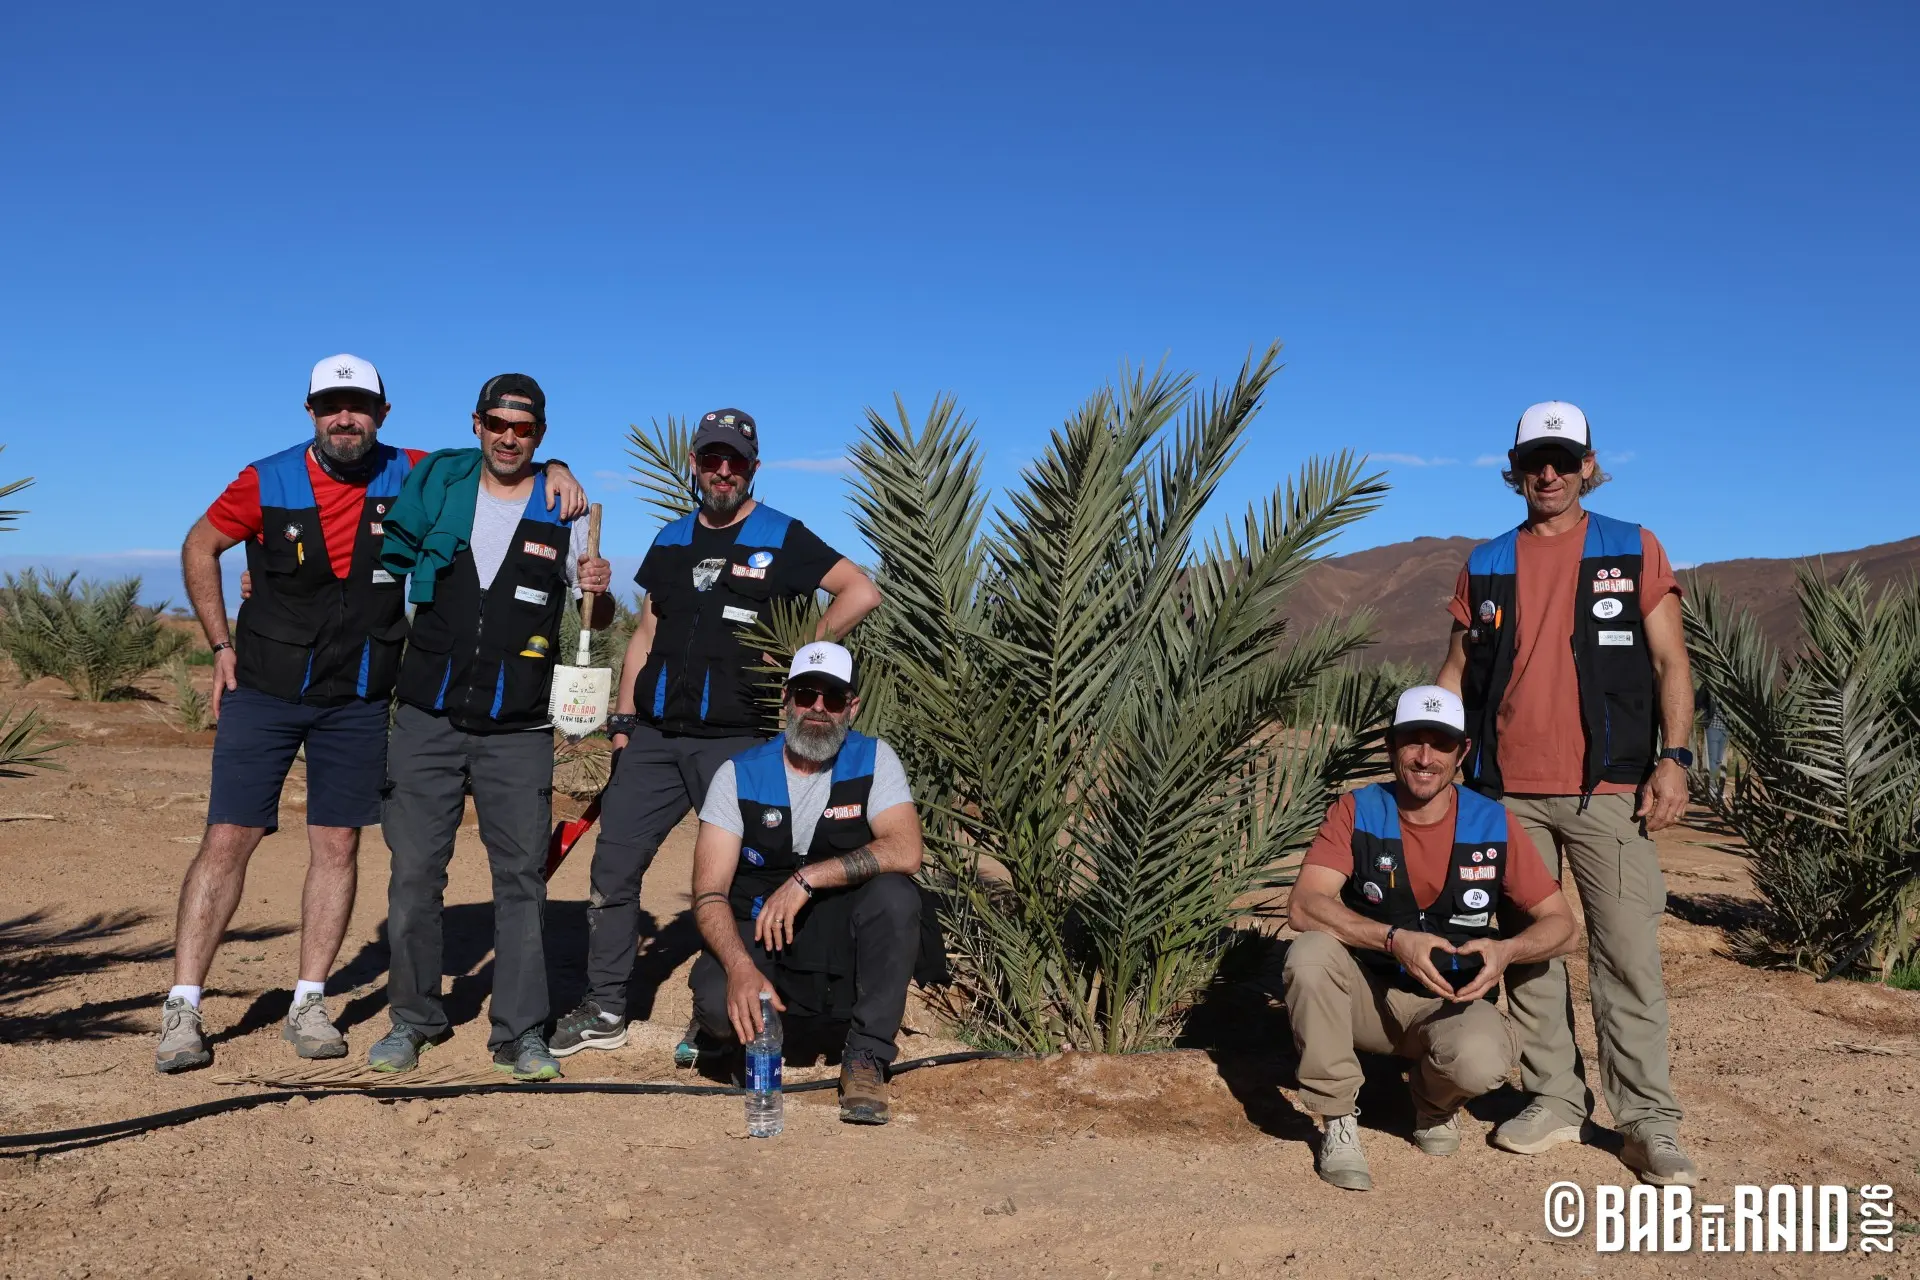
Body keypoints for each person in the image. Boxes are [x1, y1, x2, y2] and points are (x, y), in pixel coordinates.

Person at [157, 356, 584, 1074]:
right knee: (228, 838)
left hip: (358, 697)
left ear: (382, 414)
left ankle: (309, 1002)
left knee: (338, 846)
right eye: (332, 405)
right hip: (264, 688)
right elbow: (201, 544)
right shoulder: (268, 478)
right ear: (311, 411)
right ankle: (183, 1004)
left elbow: (497, 460)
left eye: (358, 406)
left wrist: (559, 468)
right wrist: (220, 643)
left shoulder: (414, 471)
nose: (345, 418)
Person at [548, 409, 881, 1057]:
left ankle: (723, 1008)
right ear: (696, 466)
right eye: (711, 459)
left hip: (739, 740)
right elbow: (646, 632)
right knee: (614, 865)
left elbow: (859, 591)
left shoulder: (782, 535)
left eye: (734, 461)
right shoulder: (672, 538)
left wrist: (803, 654)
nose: (722, 471)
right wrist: (624, 722)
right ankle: (606, 1006)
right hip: (654, 739)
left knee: (744, 878)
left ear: (753, 468)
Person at [1436, 400, 1698, 1186]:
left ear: (1587, 466)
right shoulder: (1486, 562)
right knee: (1531, 954)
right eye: (1533, 461)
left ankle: (1647, 1121)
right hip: (1503, 793)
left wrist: (1675, 757)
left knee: (1626, 956)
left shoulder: (1632, 546)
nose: (1547, 474)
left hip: (1609, 790)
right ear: (1516, 471)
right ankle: (1554, 1098)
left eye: (1562, 459)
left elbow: (1671, 663)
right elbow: (1455, 672)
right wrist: (1433, 759)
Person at [366, 374, 612, 1081]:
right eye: (498, 423)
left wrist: (597, 589)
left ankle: (520, 1033)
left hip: (519, 728)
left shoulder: (564, 508)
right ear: (476, 424)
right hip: (427, 718)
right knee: (414, 875)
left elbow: (593, 620)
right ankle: (413, 1021)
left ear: (540, 434)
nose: (509, 438)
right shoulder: (438, 488)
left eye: (524, 429)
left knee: (522, 882)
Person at [1286, 685, 1576, 1191]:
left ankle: (1433, 1103)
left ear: (1462, 752)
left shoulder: (1492, 821)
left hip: (1450, 1004)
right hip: (1366, 1001)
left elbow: (1562, 925)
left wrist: (1507, 950)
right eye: (1413, 742)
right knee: (1309, 954)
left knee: (1481, 1059)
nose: (1425, 758)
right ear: (1391, 747)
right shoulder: (1357, 810)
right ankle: (1337, 1118)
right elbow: (1304, 904)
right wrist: (1393, 939)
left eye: (1441, 744)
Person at [686, 642, 923, 1124]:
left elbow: (906, 850)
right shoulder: (739, 774)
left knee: (897, 895)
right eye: (806, 694)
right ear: (786, 700)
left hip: (841, 935)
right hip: (762, 931)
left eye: (833, 698)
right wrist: (738, 967)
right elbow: (709, 893)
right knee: (717, 1006)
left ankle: (866, 1057)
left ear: (852, 708)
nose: (818, 708)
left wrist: (808, 877)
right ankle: (732, 1036)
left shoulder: (875, 759)